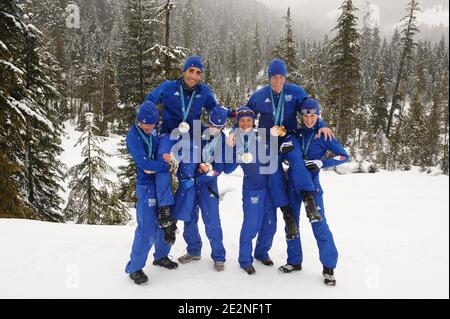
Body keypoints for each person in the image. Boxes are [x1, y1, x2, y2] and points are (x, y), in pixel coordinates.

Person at [228, 59, 333, 224]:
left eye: (281, 77)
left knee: (296, 158)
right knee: (272, 168)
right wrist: (235, 130)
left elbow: (310, 109)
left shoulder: (296, 92)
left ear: (285, 77)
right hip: (267, 137)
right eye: (274, 76)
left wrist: (322, 124)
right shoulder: (259, 96)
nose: (278, 80)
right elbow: (245, 115)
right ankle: (287, 213)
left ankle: (309, 199)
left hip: (289, 134)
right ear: (269, 77)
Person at [145, 55, 232, 243]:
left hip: (191, 137)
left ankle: (173, 221)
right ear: (184, 70)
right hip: (169, 133)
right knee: (163, 163)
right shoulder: (168, 87)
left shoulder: (204, 91)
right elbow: (150, 99)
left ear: (201, 76)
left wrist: (237, 114)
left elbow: (216, 109)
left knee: (188, 177)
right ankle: (165, 210)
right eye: (191, 71)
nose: (193, 76)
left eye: (198, 72)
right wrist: (146, 116)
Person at [279, 98, 349, 287]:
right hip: (292, 184)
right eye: (306, 115)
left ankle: (328, 267)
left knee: (319, 224)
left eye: (313, 115)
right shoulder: (297, 133)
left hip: (313, 186)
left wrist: (322, 163)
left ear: (318, 115)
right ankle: (294, 261)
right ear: (301, 116)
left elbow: (344, 156)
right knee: (291, 223)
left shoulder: (324, 135)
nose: (309, 119)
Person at [124, 101, 178, 285]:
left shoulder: (154, 131)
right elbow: (145, 165)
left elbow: (159, 153)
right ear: (138, 120)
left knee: (164, 221)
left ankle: (161, 256)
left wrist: (169, 158)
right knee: (147, 227)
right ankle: (135, 268)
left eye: (152, 124)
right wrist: (164, 166)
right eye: (144, 123)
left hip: (159, 182)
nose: (148, 127)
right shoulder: (133, 136)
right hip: (146, 184)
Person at [223, 107, 279, 275]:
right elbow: (227, 169)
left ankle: (262, 252)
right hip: (252, 187)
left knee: (270, 224)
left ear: (253, 122)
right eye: (242, 120)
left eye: (248, 120)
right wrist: (236, 154)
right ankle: (245, 260)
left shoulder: (261, 135)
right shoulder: (234, 140)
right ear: (237, 123)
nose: (245, 123)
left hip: (269, 186)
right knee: (251, 225)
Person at [173, 107, 229, 272]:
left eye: (219, 127)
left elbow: (219, 168)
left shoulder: (223, 142)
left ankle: (218, 256)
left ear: (223, 126)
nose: (215, 129)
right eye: (212, 124)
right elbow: (188, 153)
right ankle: (193, 251)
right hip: (191, 184)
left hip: (208, 187)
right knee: (189, 219)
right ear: (208, 121)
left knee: (212, 221)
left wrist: (207, 170)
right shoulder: (198, 134)